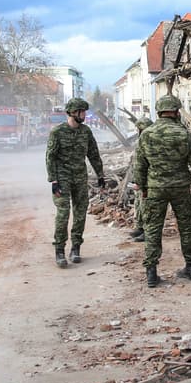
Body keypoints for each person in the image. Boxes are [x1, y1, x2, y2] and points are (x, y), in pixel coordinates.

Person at [133, 95, 191, 288]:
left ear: (158, 112)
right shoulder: (183, 133)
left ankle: (151, 273)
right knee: (186, 227)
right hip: (180, 188)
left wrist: (142, 187)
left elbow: (139, 165)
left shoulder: (147, 134)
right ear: (176, 112)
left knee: (152, 229)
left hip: (155, 189)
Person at [45, 97, 108, 267]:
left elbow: (94, 154)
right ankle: (59, 250)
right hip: (62, 179)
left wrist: (100, 176)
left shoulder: (86, 131)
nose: (85, 115)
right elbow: (50, 157)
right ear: (73, 112)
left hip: (80, 178)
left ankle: (76, 248)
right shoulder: (57, 132)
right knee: (63, 213)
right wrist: (53, 180)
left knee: (80, 213)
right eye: (82, 112)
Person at [128, 117, 154, 242]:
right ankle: (140, 227)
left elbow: (145, 164)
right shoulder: (142, 141)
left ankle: (147, 231)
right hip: (141, 180)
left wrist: (141, 182)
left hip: (148, 181)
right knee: (139, 204)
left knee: (146, 206)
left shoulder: (150, 143)